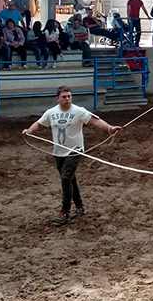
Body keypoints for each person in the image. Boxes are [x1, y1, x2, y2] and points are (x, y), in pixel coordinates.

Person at [22, 86, 121, 225]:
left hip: (75, 150)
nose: (67, 99)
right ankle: (80, 207)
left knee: (66, 177)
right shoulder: (51, 113)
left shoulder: (79, 111)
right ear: (57, 98)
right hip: (58, 152)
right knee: (70, 179)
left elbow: (95, 120)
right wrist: (29, 130)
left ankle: (65, 211)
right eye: (64, 97)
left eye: (69, 96)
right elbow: (39, 124)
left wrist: (110, 128)